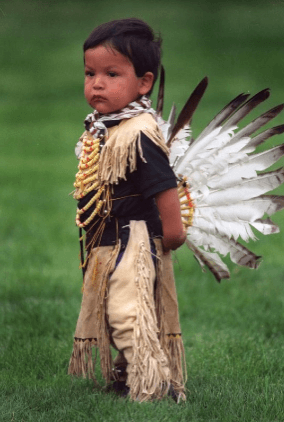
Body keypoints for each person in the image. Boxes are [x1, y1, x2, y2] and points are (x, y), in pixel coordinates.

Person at [68, 18, 187, 402]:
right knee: (111, 311)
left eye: (111, 73)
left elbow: (164, 185)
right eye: (90, 73)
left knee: (127, 314)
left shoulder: (138, 133)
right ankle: (127, 375)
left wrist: (173, 233)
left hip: (131, 240)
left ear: (144, 82)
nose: (97, 83)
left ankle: (155, 387)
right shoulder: (104, 129)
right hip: (108, 241)